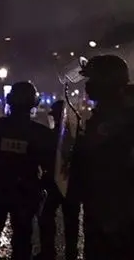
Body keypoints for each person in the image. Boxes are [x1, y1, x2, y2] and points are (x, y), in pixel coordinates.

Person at [0, 81, 55, 260]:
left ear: (9, 100)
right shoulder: (41, 133)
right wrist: (40, 187)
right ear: (34, 104)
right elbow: (52, 167)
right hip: (25, 193)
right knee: (22, 242)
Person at [70, 54, 134, 259]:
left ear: (107, 81)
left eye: (93, 80)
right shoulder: (107, 111)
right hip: (101, 205)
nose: (88, 86)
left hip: (118, 209)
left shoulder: (123, 115)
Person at [36, 100, 79, 260]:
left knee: (48, 217)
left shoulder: (50, 136)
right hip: (70, 185)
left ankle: (49, 252)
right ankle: (70, 253)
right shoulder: (77, 137)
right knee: (70, 221)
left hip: (58, 184)